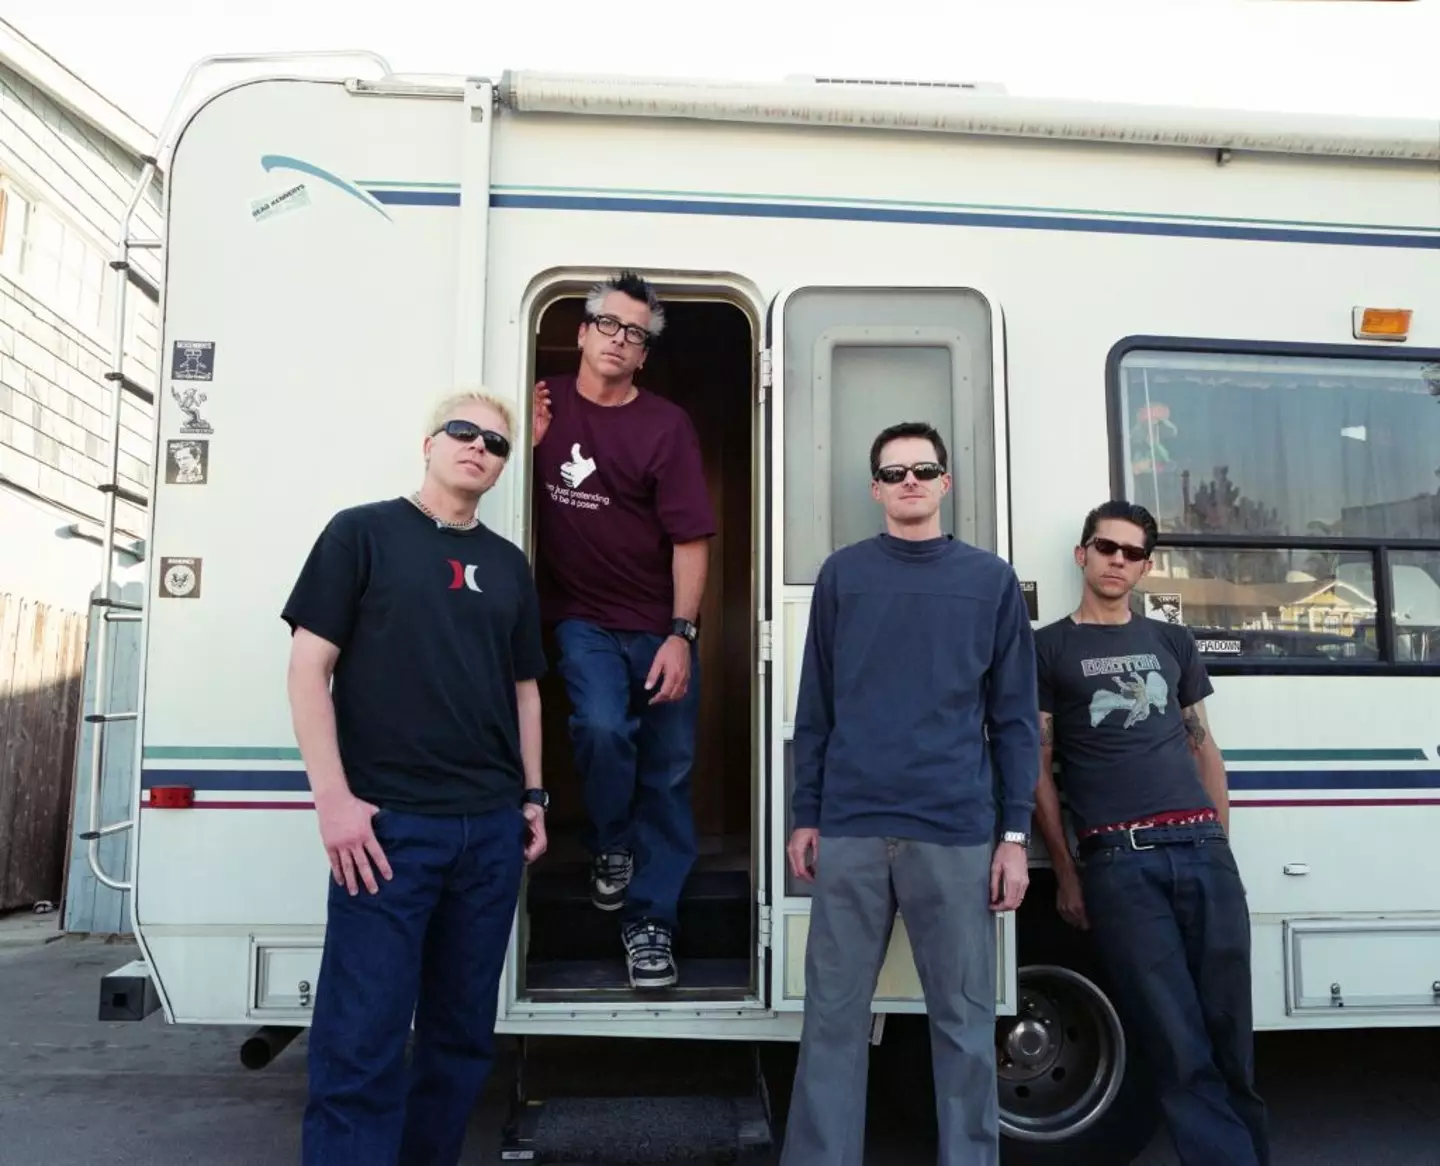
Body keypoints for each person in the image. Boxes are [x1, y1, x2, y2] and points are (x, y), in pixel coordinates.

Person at [283, 390, 550, 1166]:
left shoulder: (507, 565)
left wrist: (531, 797)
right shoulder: (360, 534)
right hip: (388, 831)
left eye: (497, 444)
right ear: (430, 442)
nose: (479, 448)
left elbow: (525, 687)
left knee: (460, 1042)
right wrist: (334, 802)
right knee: (360, 1044)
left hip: (490, 833)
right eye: (464, 433)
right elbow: (308, 669)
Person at [780, 421, 1041, 1166]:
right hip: (853, 826)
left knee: (962, 1021)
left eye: (923, 470)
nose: (910, 483)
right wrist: (806, 814)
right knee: (832, 1020)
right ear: (876, 489)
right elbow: (816, 707)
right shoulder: (843, 576)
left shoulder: (988, 581)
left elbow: (1016, 720)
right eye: (894, 474)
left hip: (955, 831)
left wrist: (1014, 838)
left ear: (945, 482)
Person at [1031, 500, 1269, 1166]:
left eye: (1132, 553)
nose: (1117, 560)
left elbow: (1204, 748)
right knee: (1177, 1043)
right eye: (1106, 547)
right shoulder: (1047, 647)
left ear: (1146, 567)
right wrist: (1068, 870)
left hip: (1202, 852)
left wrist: (1220, 842)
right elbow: (1037, 770)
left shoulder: (1171, 641)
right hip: (1120, 864)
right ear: (1083, 554)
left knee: (1231, 1039)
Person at [530, 271, 715, 990]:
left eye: (635, 333)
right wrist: (526, 444)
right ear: (582, 331)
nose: (619, 340)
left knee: (668, 778)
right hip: (579, 619)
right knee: (603, 730)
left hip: (655, 625)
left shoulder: (664, 425)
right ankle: (610, 843)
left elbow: (691, 540)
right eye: (608, 324)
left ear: (644, 354)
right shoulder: (539, 406)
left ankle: (650, 927)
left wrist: (681, 635)